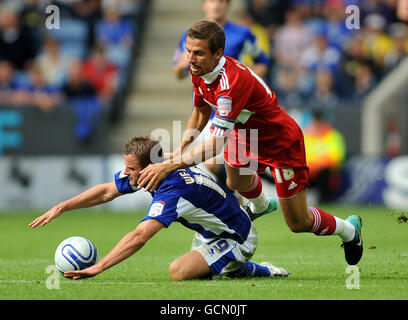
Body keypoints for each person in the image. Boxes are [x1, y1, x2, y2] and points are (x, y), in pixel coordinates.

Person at [137, 20, 364, 266]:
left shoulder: (230, 84)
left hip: (279, 141)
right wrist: (180, 150)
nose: (190, 59)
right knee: (235, 180)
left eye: (198, 53)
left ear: (218, 54)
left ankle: (349, 230)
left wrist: (168, 166)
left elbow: (214, 145)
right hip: (245, 134)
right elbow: (201, 111)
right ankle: (261, 205)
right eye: (188, 51)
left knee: (299, 223)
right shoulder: (199, 70)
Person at [28, 136, 289, 280]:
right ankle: (230, 256)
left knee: (178, 272)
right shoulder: (158, 170)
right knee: (190, 265)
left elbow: (141, 235)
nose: (127, 174)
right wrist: (63, 207)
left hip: (237, 237)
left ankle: (255, 268)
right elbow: (108, 190)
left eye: (131, 169)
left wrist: (99, 267)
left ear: (149, 166)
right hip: (211, 232)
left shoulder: (172, 189)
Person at [173, 0, 270, 192]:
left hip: (236, 108)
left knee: (237, 169)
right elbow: (177, 73)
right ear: (204, 4)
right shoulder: (190, 36)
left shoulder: (243, 34)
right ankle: (238, 205)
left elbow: (263, 61)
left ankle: (249, 201)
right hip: (209, 108)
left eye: (221, 1)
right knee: (214, 165)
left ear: (228, 5)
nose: (216, 5)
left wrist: (245, 78)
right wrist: (183, 65)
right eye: (212, 1)